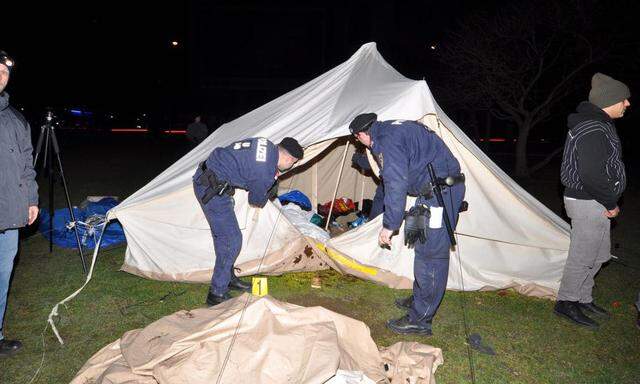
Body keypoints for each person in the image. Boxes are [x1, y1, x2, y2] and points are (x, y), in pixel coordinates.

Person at [350, 113, 465, 335]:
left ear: (361, 134)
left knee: (431, 254)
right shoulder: (392, 128)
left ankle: (420, 320)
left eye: (358, 139)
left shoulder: (386, 141)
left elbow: (396, 182)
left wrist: (389, 225)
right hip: (430, 193)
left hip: (441, 194)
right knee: (419, 242)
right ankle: (421, 297)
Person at [555, 73, 630, 329]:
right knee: (582, 256)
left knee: (598, 254)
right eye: (624, 100)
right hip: (589, 202)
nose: (627, 104)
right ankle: (566, 302)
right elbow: (591, 174)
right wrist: (610, 202)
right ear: (611, 100)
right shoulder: (592, 127)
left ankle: (583, 298)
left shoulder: (598, 124)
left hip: (594, 202)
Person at [193, 136, 303, 306]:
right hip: (210, 187)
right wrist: (267, 189)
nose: (292, 166)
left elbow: (244, 165)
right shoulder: (265, 172)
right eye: (293, 163)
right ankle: (216, 293)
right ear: (288, 158)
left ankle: (228, 278)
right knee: (232, 240)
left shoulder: (265, 144)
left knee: (224, 238)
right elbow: (256, 201)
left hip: (210, 177)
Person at [0, 50, 39, 357]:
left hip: (10, 215)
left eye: (4, 72)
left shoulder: (16, 119)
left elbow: (27, 164)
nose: (0, 75)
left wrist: (31, 200)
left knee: (2, 277)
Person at [351, 151, 384, 219]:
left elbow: (368, 164)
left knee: (379, 202)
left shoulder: (384, 143)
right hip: (398, 180)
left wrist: (357, 157)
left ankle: (375, 224)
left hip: (393, 182)